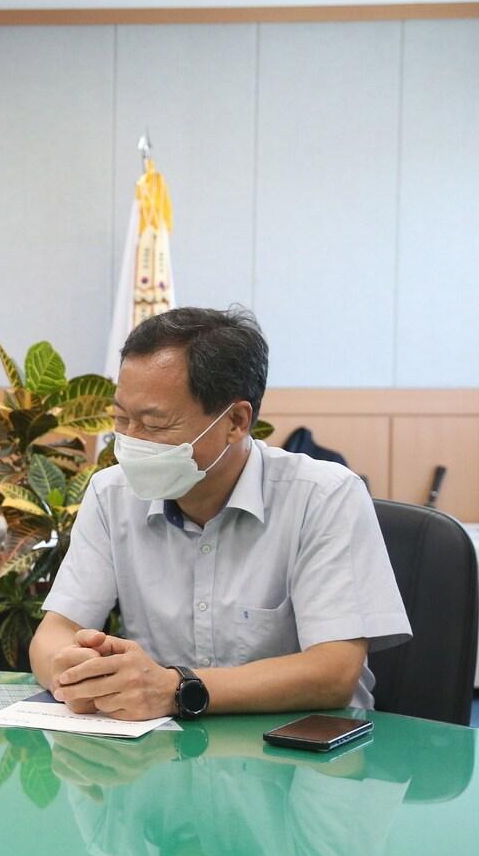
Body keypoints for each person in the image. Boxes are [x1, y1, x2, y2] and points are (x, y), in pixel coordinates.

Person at [29, 306, 410, 721]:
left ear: (236, 421)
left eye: (154, 425)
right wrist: (74, 674)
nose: (130, 441)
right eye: (122, 418)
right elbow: (54, 633)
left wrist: (176, 688)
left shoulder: (324, 496)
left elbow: (333, 672)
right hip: (168, 755)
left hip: (306, 758)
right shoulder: (111, 494)